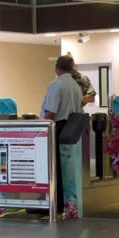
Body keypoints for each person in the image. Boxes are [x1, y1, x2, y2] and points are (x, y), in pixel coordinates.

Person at [40, 55, 83, 216]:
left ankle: (55, 205)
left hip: (57, 128)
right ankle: (68, 205)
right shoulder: (76, 86)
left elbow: (51, 111)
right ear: (72, 69)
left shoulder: (56, 85)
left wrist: (41, 123)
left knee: (54, 168)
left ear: (56, 68)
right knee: (67, 170)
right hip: (72, 129)